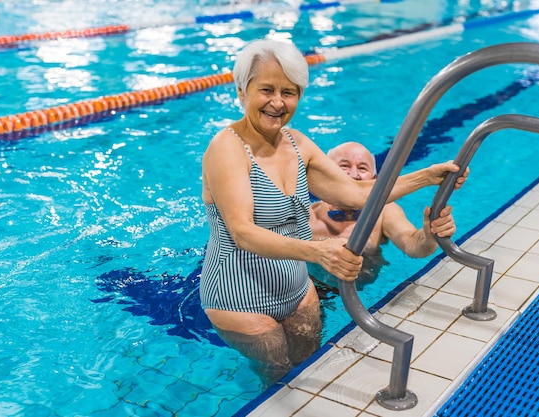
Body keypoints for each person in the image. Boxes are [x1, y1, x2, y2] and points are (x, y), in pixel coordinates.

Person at [199, 39, 468, 387]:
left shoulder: (296, 143)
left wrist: (426, 176)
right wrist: (318, 251)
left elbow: (357, 193)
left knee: (312, 367)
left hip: (297, 289)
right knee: (277, 378)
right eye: (266, 89)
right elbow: (242, 232)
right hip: (238, 297)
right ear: (241, 91)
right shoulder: (227, 148)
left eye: (289, 92)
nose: (278, 102)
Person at [309, 141, 458, 289]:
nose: (354, 175)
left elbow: (413, 245)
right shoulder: (308, 216)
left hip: (363, 290)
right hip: (315, 287)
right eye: (344, 166)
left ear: (374, 180)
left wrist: (429, 235)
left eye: (362, 168)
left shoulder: (384, 211)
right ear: (326, 175)